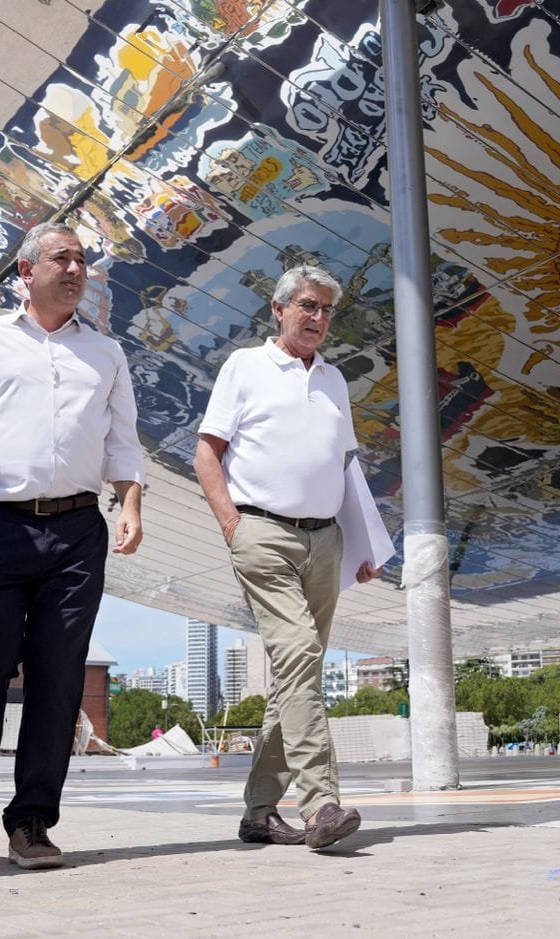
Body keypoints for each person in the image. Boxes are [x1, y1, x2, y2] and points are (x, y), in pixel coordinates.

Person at [0, 222, 145, 871]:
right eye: (62, 258)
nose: (75, 268)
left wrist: (131, 503)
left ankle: (31, 819)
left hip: (78, 531)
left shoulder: (106, 353)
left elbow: (123, 439)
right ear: (26, 271)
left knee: (59, 675)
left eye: (81, 259)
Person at [193, 265, 379, 851]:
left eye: (326, 309)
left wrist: (365, 543)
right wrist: (233, 525)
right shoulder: (245, 366)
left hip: (326, 541)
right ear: (278, 310)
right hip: (263, 535)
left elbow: (343, 468)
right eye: (307, 305)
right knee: (298, 654)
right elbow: (206, 452)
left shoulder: (334, 380)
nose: (318, 317)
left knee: (298, 675)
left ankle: (258, 812)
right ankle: (321, 804)